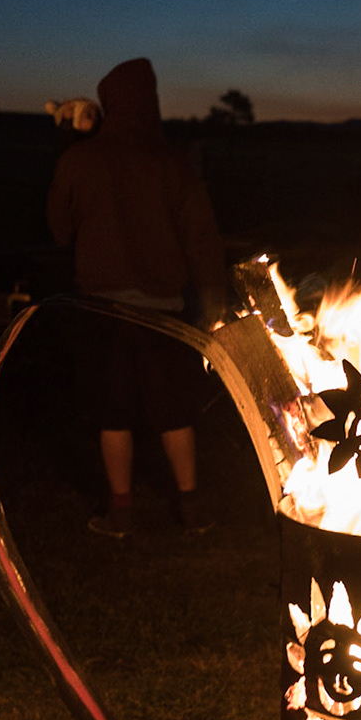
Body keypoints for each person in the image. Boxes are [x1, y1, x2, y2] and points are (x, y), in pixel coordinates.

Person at [48, 57, 229, 537]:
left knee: (113, 415)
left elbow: (58, 228)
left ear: (108, 104)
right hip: (163, 315)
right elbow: (203, 241)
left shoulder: (81, 159)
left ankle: (121, 513)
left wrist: (70, 138)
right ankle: (192, 509)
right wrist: (214, 305)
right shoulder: (174, 163)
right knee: (175, 414)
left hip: (101, 311)